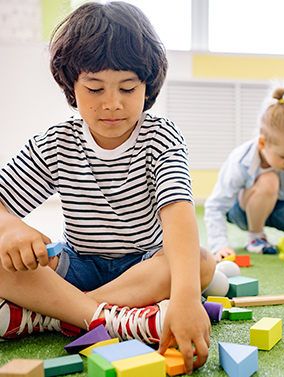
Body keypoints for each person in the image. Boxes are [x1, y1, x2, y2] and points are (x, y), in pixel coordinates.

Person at [0, 2, 214, 374]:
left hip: (142, 267)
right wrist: (11, 227)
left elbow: (178, 213)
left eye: (127, 88)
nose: (112, 104)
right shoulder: (56, 142)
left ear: (146, 86)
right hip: (76, 263)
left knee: (198, 262)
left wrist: (185, 298)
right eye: (95, 88)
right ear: (71, 85)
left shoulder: (160, 137)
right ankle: (107, 318)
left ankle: (53, 316)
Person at [204, 84, 284, 261]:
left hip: (278, 207)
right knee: (269, 180)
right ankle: (255, 237)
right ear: (262, 144)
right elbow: (216, 206)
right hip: (243, 211)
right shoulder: (241, 161)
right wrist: (220, 245)